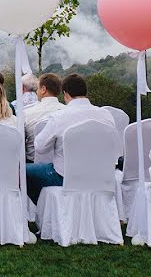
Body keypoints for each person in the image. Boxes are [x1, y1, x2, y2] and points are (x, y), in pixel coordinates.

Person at [26, 74, 116, 203]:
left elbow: (40, 147)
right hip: (100, 176)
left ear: (65, 94)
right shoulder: (106, 115)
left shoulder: (59, 117)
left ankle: (44, 207)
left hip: (65, 177)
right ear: (85, 93)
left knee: (23, 171)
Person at [23, 73, 65, 163]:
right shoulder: (67, 112)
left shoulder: (27, 113)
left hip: (32, 165)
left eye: (37, 88)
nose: (36, 92)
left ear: (43, 89)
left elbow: (21, 143)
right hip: (63, 166)